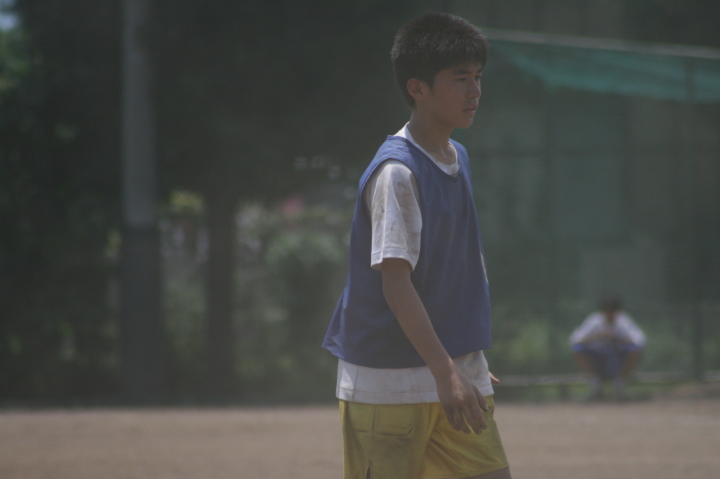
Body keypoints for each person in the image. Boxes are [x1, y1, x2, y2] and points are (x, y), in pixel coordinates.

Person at [322, 12, 511, 479]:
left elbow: (451, 272)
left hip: (451, 372)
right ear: (417, 88)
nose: (475, 91)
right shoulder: (398, 172)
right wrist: (446, 371)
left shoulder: (457, 156)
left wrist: (462, 357)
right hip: (388, 386)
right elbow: (396, 285)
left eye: (478, 76)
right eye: (460, 78)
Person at [569, 295, 646, 401]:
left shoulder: (623, 322)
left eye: (613, 310)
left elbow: (640, 341)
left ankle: (619, 386)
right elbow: (574, 340)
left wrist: (618, 338)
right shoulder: (595, 321)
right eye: (607, 310)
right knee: (577, 350)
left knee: (635, 350)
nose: (610, 314)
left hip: (618, 359)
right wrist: (597, 336)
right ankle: (596, 387)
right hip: (598, 359)